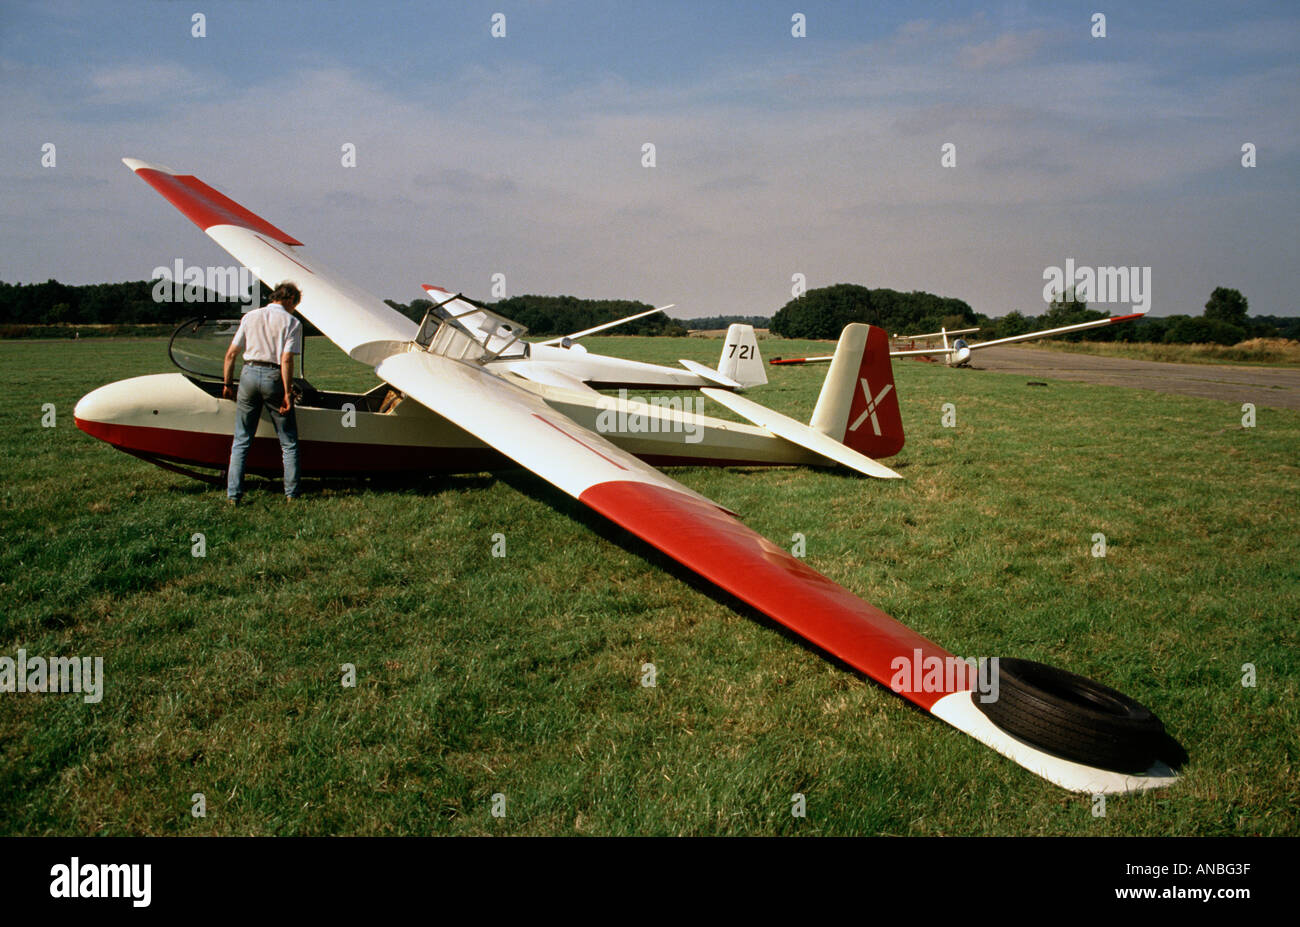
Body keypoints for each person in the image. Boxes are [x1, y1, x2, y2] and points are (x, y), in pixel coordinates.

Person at [222, 282, 304, 503]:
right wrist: (287, 393)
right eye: (295, 304)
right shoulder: (292, 322)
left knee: (241, 440)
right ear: (289, 300)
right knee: (288, 442)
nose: (295, 308)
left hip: (248, 374)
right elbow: (286, 359)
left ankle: (233, 495)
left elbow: (231, 354)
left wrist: (228, 384)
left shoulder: (249, 317)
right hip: (273, 376)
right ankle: (291, 495)